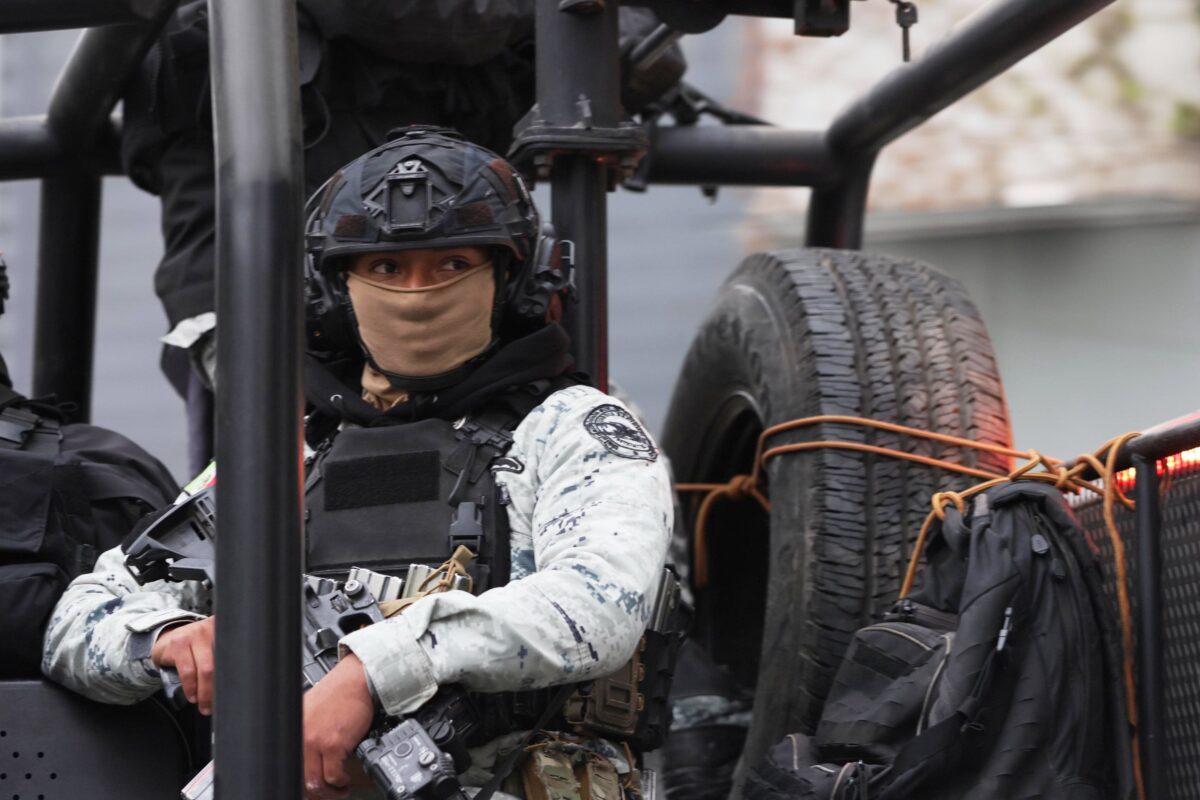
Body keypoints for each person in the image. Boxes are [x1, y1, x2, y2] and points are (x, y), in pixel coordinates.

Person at [42, 127, 674, 800]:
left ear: (513, 281)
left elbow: (595, 607)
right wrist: (167, 639)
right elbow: (77, 623)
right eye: (386, 269)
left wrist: (370, 673)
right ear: (334, 291)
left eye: (452, 264)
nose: (418, 293)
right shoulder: (288, 451)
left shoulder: (572, 427)